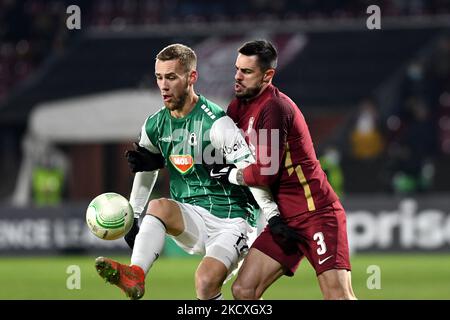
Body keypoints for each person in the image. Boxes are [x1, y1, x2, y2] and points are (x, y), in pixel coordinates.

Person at [94, 43, 280, 300]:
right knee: (158, 206)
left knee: (205, 283)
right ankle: (135, 274)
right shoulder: (155, 124)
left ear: (192, 77)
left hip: (233, 220)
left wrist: (272, 217)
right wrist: (133, 215)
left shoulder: (217, 123)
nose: (163, 85)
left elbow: (252, 172)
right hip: (190, 215)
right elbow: (147, 170)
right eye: (159, 77)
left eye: (171, 77)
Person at [207, 40, 356, 299]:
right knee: (244, 290)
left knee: (337, 295)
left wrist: (230, 175)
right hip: (283, 220)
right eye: (237, 69)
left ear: (268, 75)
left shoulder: (275, 108)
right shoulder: (237, 107)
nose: (237, 77)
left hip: (316, 212)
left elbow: (266, 172)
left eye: (246, 72)